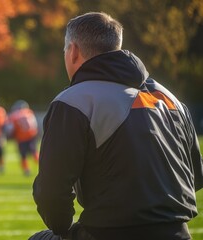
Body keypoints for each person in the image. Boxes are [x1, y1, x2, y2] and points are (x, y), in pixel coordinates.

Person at [31, 12, 203, 240]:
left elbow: (52, 192)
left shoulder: (74, 100)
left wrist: (63, 228)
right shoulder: (170, 99)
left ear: (73, 51)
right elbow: (196, 177)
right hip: (178, 233)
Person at [7, 100, 39, 176]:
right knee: (34, 152)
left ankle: (26, 170)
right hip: (32, 136)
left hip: (21, 138)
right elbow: (34, 125)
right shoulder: (29, 113)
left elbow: (10, 129)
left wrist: (11, 135)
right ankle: (43, 166)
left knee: (23, 155)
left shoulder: (14, 115)